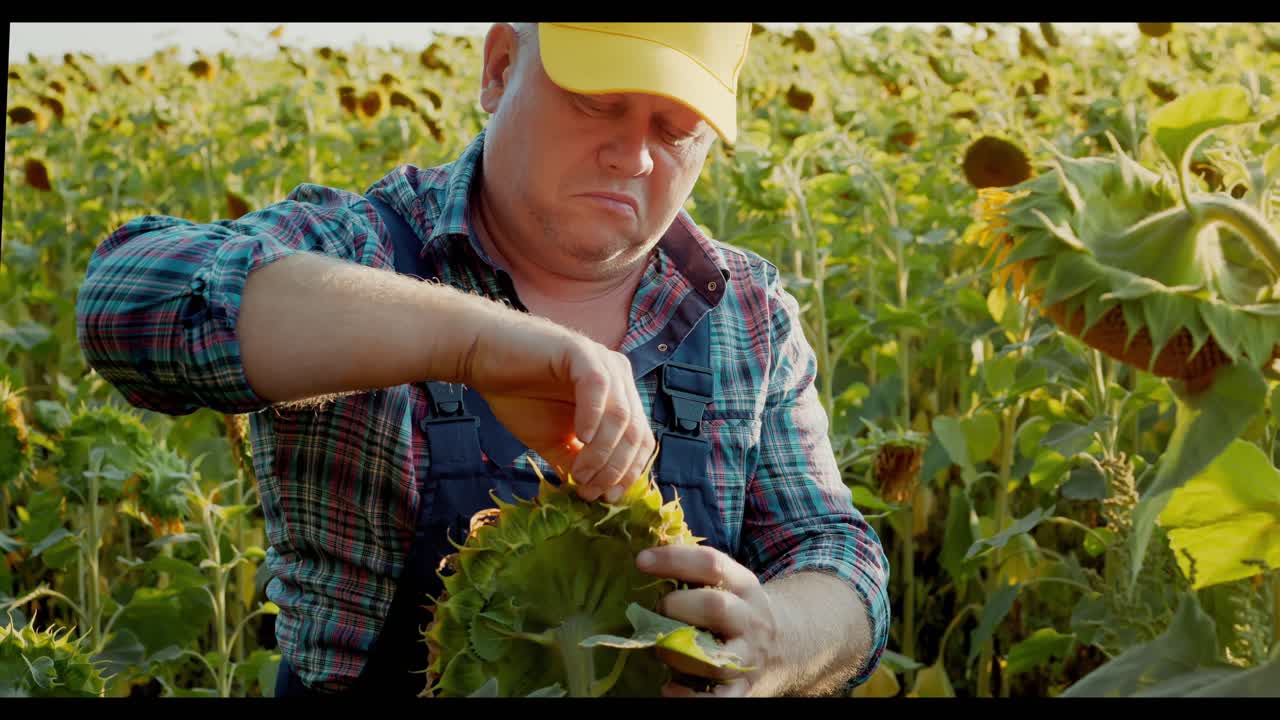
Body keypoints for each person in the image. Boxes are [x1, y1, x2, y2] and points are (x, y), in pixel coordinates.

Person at [75, 22, 890, 697]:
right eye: (597, 101)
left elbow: (838, 557)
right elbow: (125, 301)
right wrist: (475, 343)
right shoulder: (370, 252)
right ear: (500, 68)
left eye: (676, 128)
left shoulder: (744, 308)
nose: (635, 155)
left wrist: (779, 640)